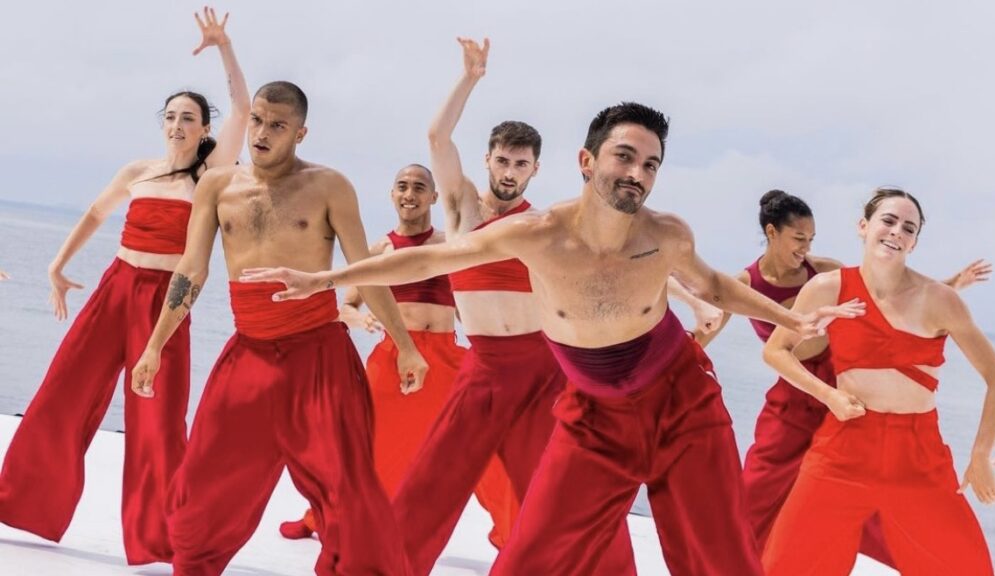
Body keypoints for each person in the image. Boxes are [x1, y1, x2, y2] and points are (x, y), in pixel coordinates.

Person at [239, 101, 863, 575]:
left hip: (682, 402)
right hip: (594, 414)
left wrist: (792, 320)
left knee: (721, 558)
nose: (637, 173)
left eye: (650, 164)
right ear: (587, 161)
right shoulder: (536, 234)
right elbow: (422, 262)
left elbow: (717, 288)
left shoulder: (666, 232)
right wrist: (324, 276)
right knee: (530, 558)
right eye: (625, 156)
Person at [130, 82, 426, 576]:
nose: (263, 134)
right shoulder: (218, 186)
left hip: (319, 355)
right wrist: (154, 345)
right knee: (202, 484)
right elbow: (190, 271)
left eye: (278, 125)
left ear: (300, 132)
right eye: (258, 121)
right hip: (249, 351)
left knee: (348, 489)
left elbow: (364, 272)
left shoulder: (330, 186)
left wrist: (406, 347)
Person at [0, 7, 249, 565]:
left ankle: (160, 537)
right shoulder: (138, 170)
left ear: (204, 129)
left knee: (157, 421)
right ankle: (17, 502)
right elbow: (95, 211)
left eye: (189, 118)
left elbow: (241, 107)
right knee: (62, 391)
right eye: (171, 117)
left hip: (164, 302)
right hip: (115, 288)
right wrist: (57, 266)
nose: (179, 125)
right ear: (162, 124)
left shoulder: (209, 175)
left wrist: (224, 48)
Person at [696, 189, 990, 561]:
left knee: (870, 511)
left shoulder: (822, 272)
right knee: (757, 492)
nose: (805, 247)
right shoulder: (748, 283)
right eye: (798, 238)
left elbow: (892, 294)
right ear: (772, 233)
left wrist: (952, 285)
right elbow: (708, 332)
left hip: (846, 391)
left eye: (811, 239)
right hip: (796, 396)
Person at [278, 164, 519, 549]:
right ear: (392, 195)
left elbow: (470, 303)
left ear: (433, 197)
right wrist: (362, 319)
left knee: (485, 446)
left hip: (445, 355)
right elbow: (347, 305)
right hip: (394, 355)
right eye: (402, 186)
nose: (410, 193)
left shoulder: (448, 245)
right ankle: (320, 519)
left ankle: (515, 532)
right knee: (360, 445)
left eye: (420, 187)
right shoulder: (381, 249)